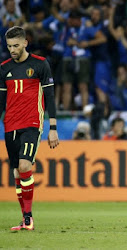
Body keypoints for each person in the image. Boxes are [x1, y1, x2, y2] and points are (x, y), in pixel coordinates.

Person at [0, 26, 59, 230]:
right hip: (10, 124)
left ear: (26, 43)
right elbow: (1, 101)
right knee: (17, 172)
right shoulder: (4, 68)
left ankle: (28, 218)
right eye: (9, 46)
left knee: (25, 166)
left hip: (33, 123)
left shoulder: (41, 64)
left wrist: (53, 127)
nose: (12, 50)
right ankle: (26, 217)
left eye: (16, 45)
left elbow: (50, 97)